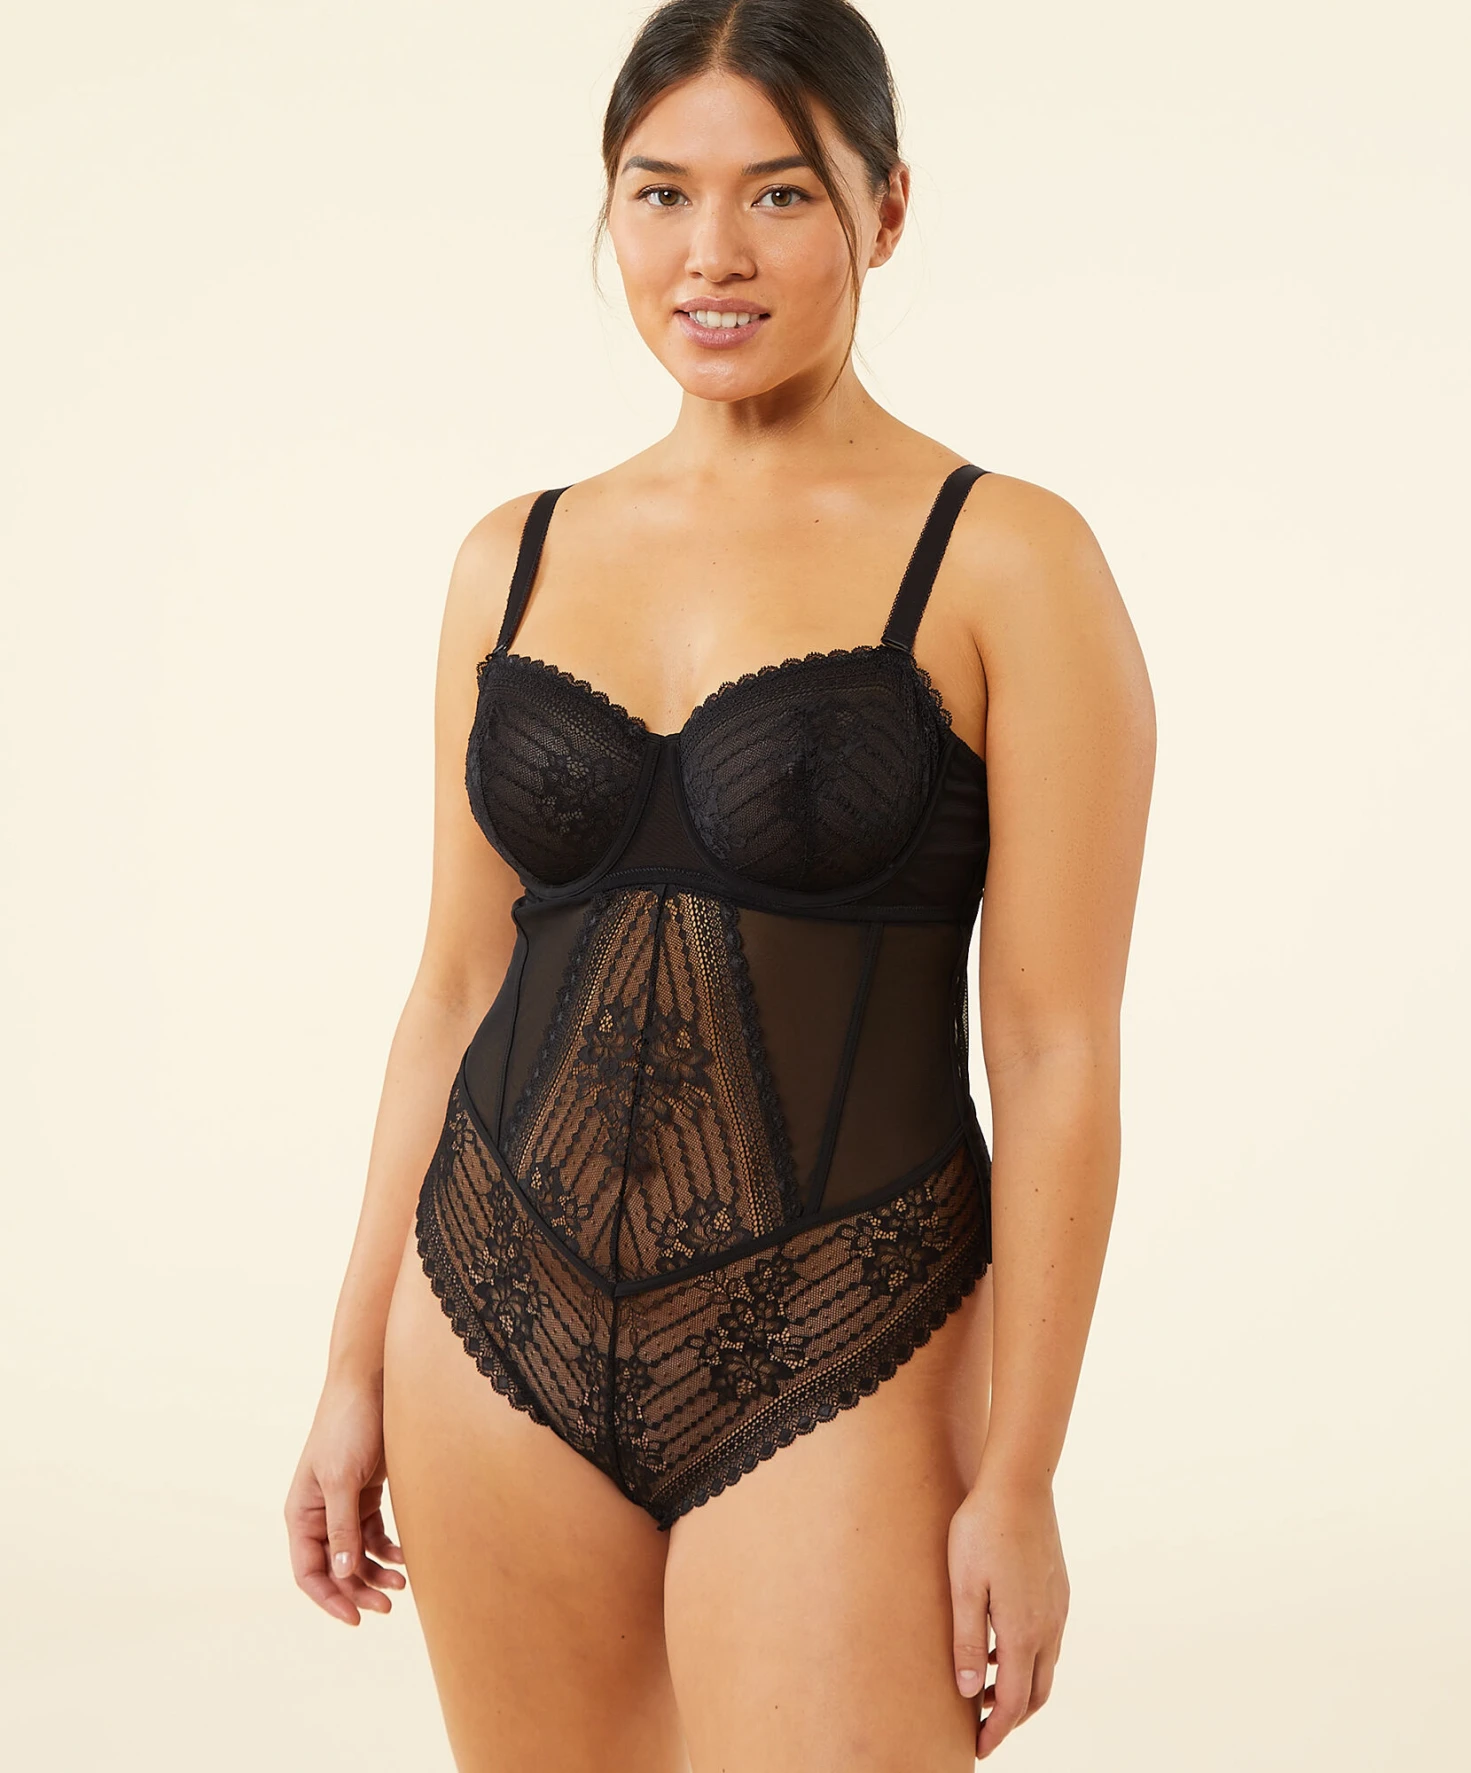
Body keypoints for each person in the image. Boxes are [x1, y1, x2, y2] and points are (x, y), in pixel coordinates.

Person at [283, 1, 1155, 1765]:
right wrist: (352, 1357)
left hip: (845, 1333)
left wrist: (1023, 1473)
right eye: (660, 192)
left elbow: (1055, 1049)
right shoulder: (512, 557)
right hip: (489, 1312)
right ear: (611, 208)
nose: (711, 255)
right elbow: (453, 987)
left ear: (884, 208)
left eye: (779, 194)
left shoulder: (1007, 559)